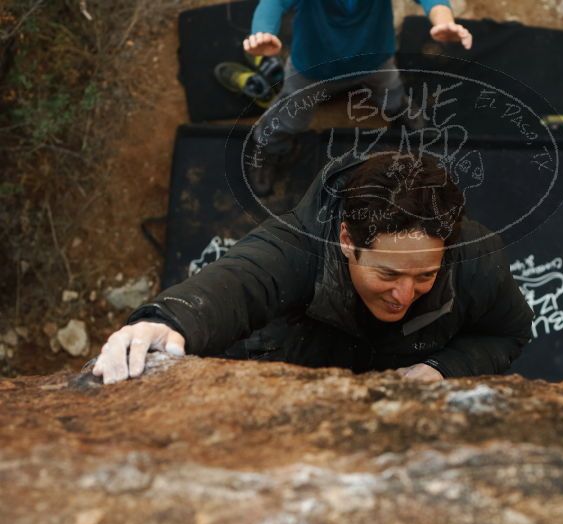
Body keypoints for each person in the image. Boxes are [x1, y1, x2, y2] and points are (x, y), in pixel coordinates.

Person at [92, 152, 533, 384]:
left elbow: (508, 332)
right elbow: (242, 280)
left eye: (424, 276)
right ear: (346, 240)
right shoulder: (303, 242)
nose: (403, 295)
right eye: (388, 274)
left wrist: (444, 368)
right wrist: (163, 321)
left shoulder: (477, 259)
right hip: (294, 367)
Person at [220, 0, 474, 194]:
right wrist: (262, 32)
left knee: (392, 93)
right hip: (313, 67)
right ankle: (271, 146)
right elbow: (273, 3)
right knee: (290, 117)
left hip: (374, 59)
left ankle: (399, 109)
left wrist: (443, 19)